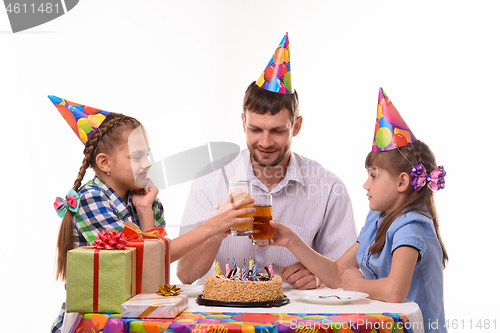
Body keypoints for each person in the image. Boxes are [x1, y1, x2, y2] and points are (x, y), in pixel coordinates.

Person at [49, 96, 254, 333]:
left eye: (147, 154)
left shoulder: (147, 202)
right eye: (136, 157)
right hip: (94, 323)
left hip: (133, 319)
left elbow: (152, 271)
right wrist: (214, 225)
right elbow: (132, 261)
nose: (147, 163)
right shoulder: (91, 199)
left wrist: (145, 211)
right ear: (104, 163)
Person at [177, 33, 357, 289]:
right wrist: (217, 230)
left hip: (295, 318)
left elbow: (348, 273)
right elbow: (185, 275)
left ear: (296, 127)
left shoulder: (329, 188)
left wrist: (317, 276)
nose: (265, 142)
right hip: (222, 317)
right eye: (255, 129)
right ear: (243, 123)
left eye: (277, 131)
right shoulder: (211, 178)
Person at [267, 88, 448, 333]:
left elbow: (394, 291)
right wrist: (291, 241)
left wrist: (358, 284)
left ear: (402, 182)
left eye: (373, 176)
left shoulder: (411, 226)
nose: (365, 184)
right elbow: (336, 273)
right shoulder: (378, 219)